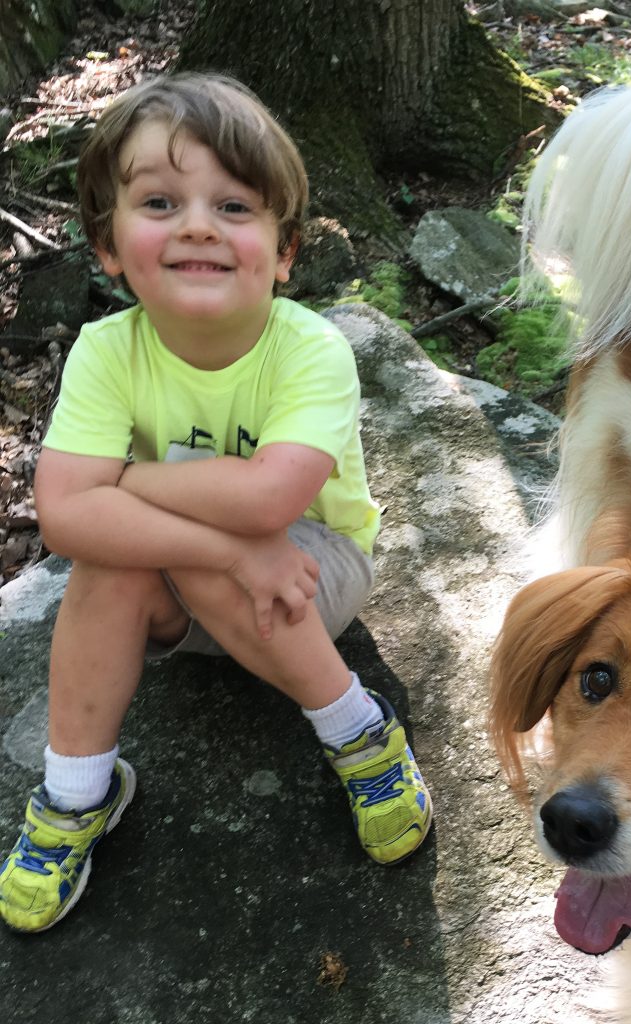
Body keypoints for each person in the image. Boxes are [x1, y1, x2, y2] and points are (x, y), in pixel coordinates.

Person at [0, 73, 432, 934]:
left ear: (285, 252)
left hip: (315, 569)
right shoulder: (106, 349)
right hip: (219, 568)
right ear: (108, 245)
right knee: (105, 570)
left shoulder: (308, 350)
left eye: (234, 208)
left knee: (137, 537)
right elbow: (65, 520)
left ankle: (359, 733)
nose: (198, 224)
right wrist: (229, 550)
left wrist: (123, 484)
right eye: (160, 201)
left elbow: (273, 497)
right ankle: (77, 793)